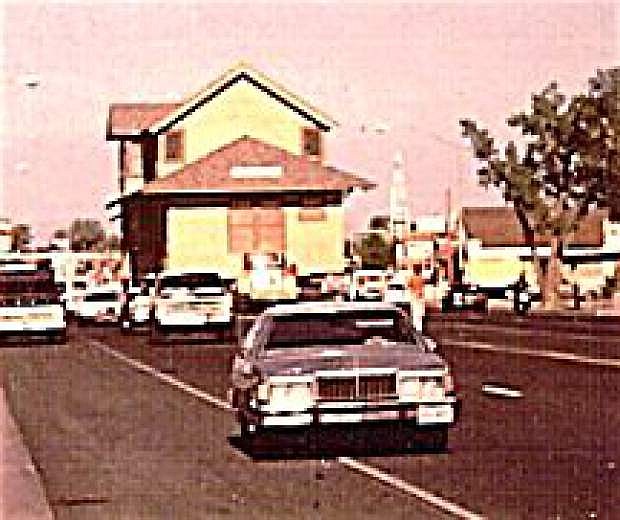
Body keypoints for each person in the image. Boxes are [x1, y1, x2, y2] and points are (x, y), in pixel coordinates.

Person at [407, 266, 426, 332]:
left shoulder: (412, 278)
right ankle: (419, 326)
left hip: (414, 295)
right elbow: (423, 286)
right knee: (420, 311)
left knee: (415, 310)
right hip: (420, 295)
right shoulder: (421, 278)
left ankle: (415, 325)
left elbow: (409, 285)